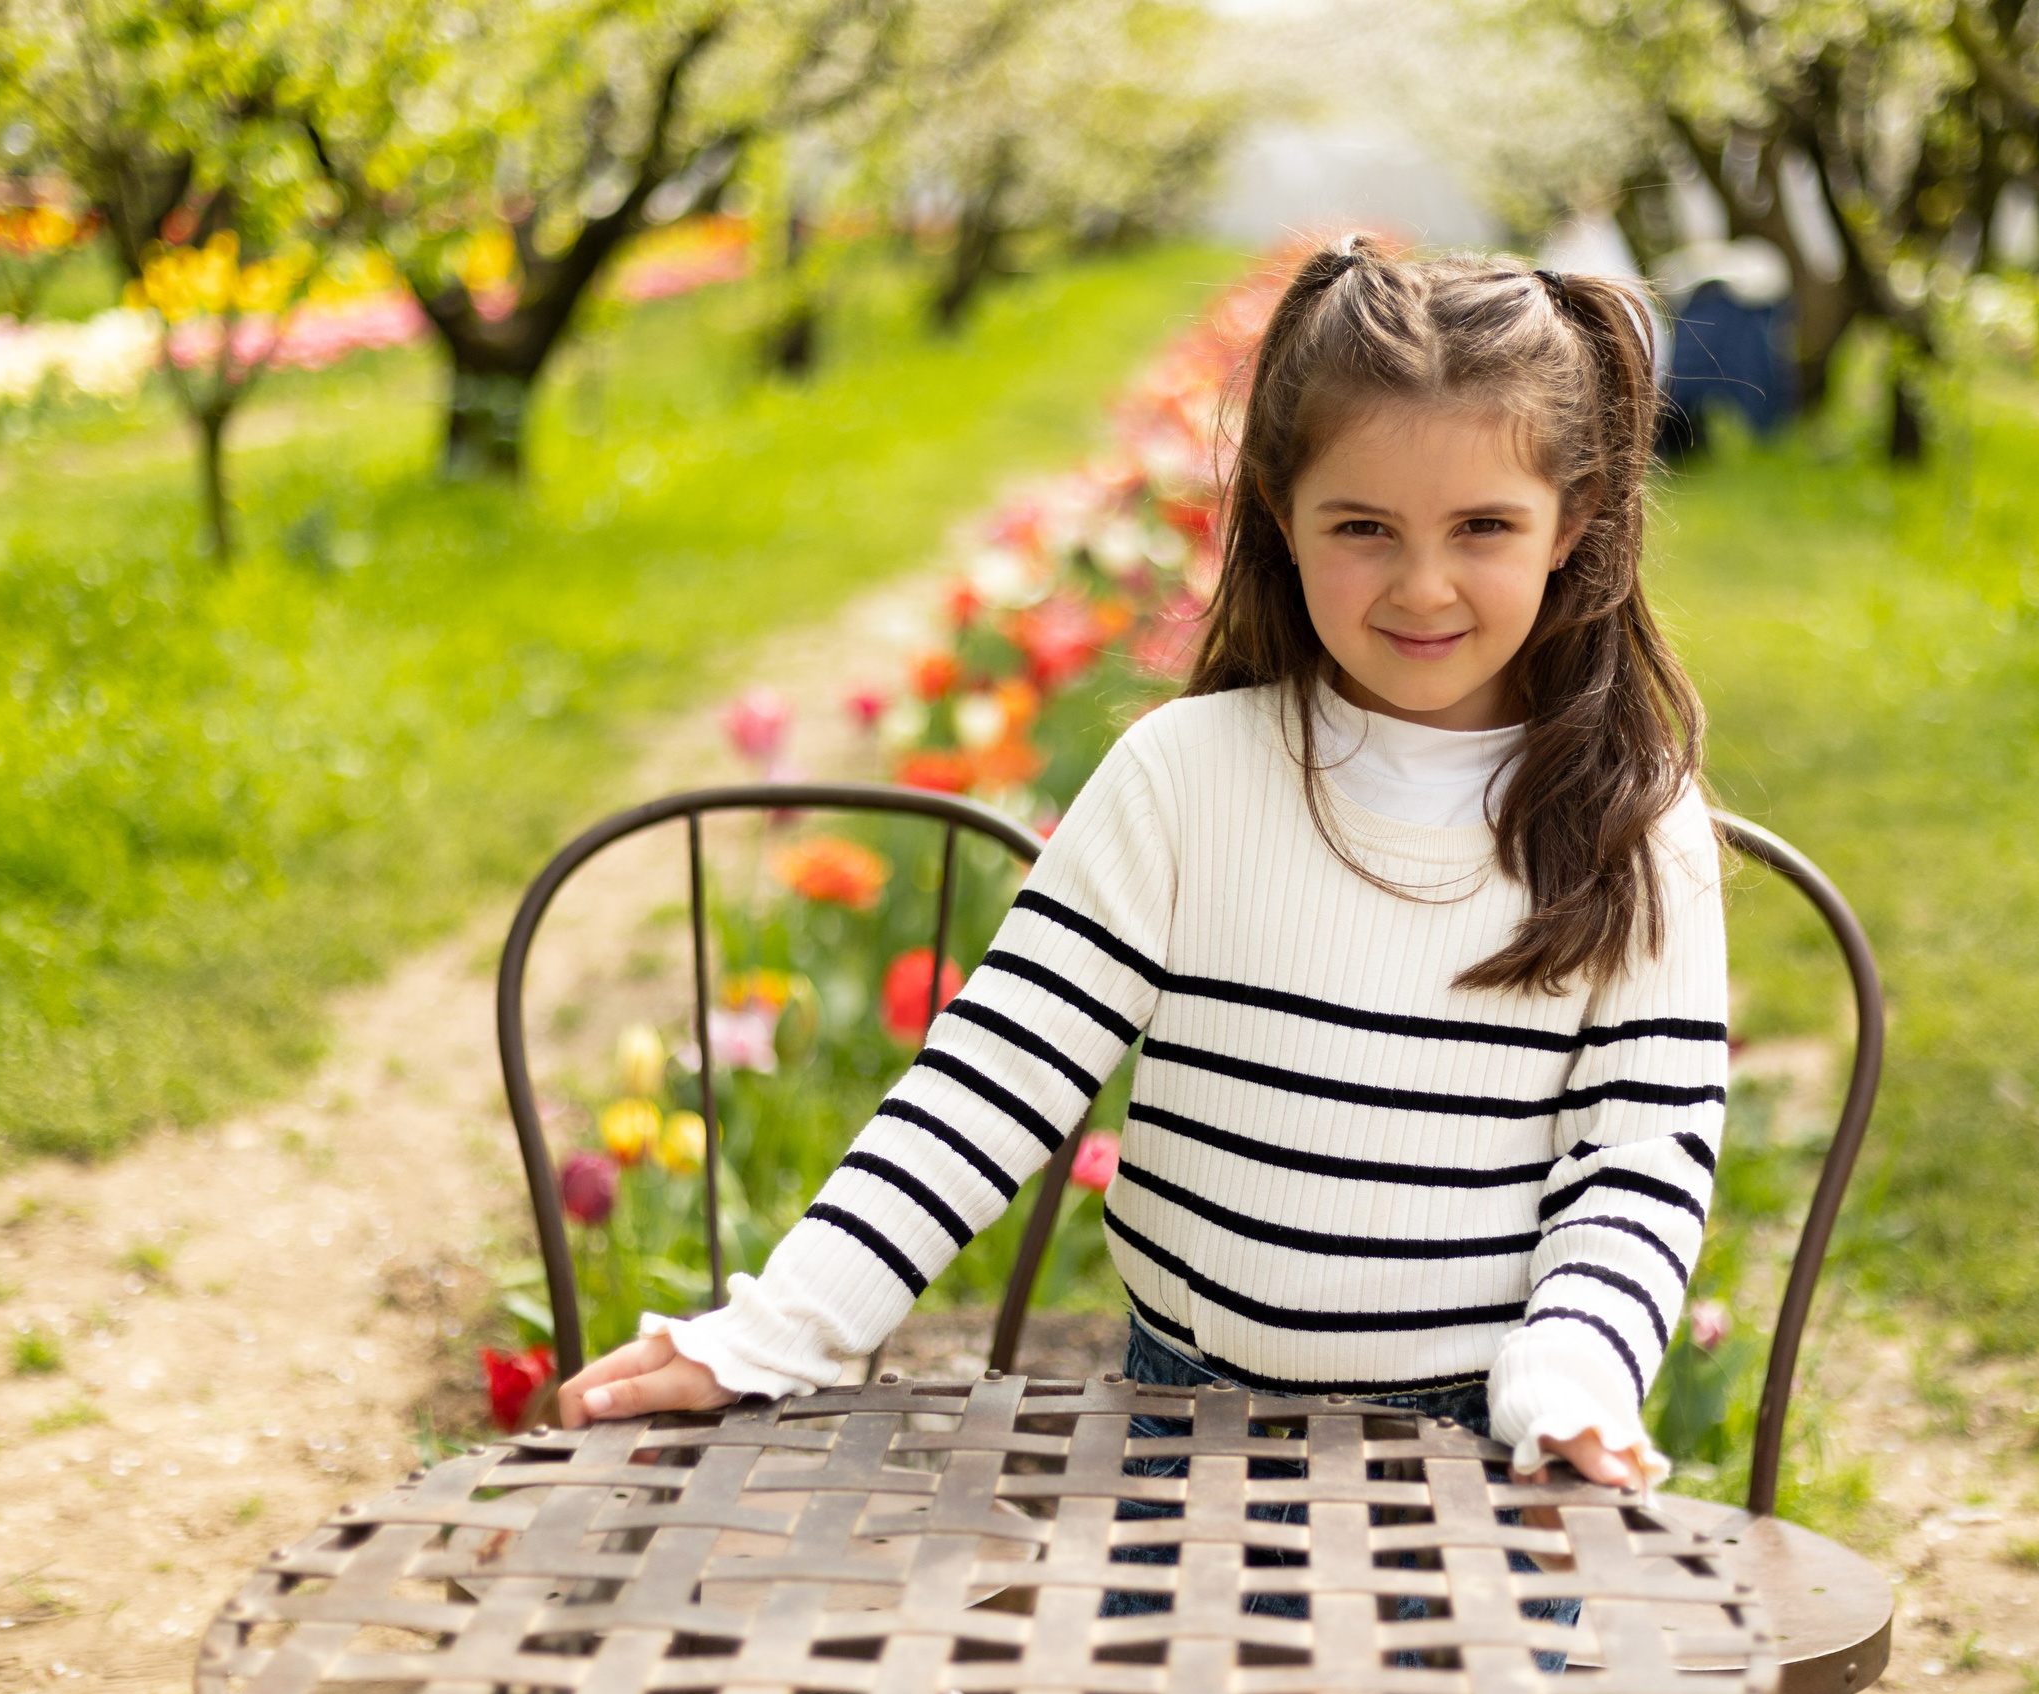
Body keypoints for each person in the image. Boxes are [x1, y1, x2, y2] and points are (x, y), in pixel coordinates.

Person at [559, 236, 1726, 1524]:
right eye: (1364, 528)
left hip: (1484, 1465)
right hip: (1179, 1433)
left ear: (1576, 518)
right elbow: (993, 1079)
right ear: (1281, 517)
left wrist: (1571, 1378)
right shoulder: (1189, 775)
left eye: (1484, 528)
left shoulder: (1630, 823)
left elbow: (1638, 1158)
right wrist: (776, 1332)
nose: (1423, 584)